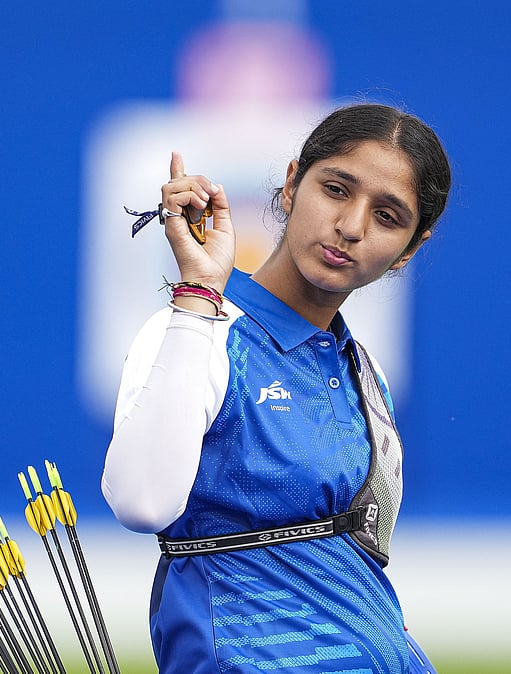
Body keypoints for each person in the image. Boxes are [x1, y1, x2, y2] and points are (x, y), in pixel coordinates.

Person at [102, 102, 451, 673]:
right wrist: (198, 296)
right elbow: (140, 502)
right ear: (292, 184)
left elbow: (352, 561)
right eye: (336, 190)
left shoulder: (364, 370)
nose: (352, 227)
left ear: (409, 250)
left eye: (388, 217)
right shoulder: (201, 328)